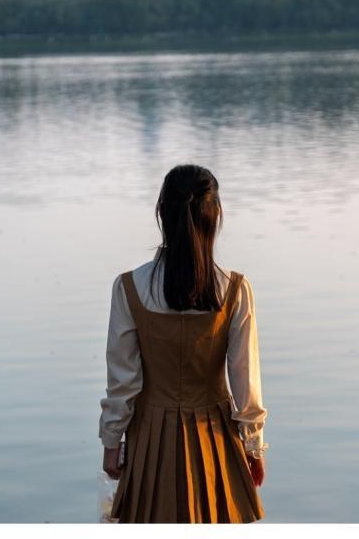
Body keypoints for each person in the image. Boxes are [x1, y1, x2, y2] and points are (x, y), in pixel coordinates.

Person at [98, 163, 269, 523]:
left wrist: (112, 443)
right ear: (216, 215)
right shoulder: (235, 290)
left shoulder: (129, 287)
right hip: (215, 438)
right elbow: (245, 381)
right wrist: (253, 445)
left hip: (148, 438)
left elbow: (123, 381)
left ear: (161, 212)